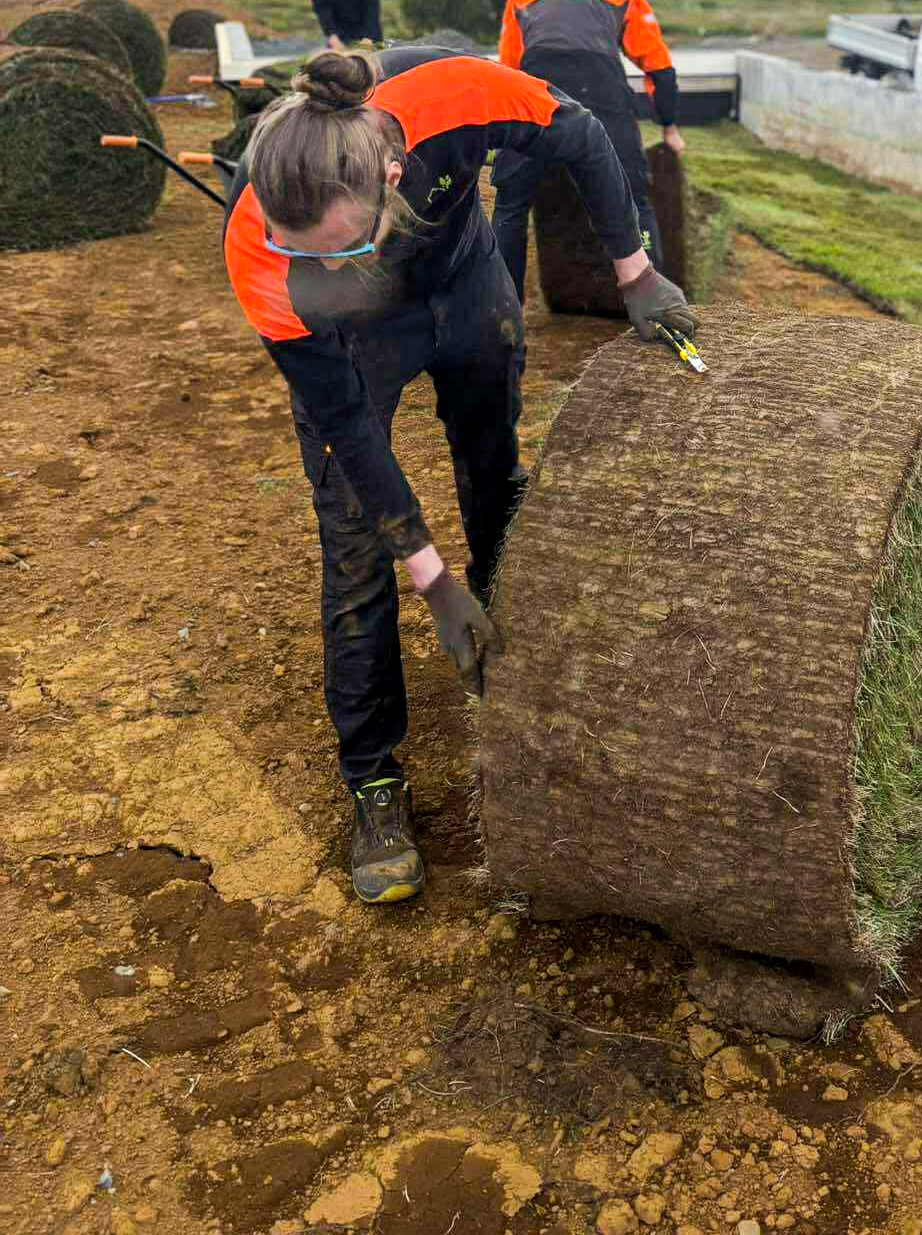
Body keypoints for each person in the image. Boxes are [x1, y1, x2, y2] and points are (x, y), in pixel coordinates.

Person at [222, 44, 696, 904]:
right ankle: (372, 779)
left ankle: (512, 641)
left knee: (492, 464)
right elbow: (349, 431)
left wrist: (636, 273)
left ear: (394, 176)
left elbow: (582, 134)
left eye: (341, 249)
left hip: (464, 278)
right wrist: (431, 584)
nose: (324, 271)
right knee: (358, 550)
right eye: (307, 259)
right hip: (362, 339)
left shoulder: (455, 93)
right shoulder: (261, 251)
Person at [493, 0, 682, 296]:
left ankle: (502, 308)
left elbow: (508, 67)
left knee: (510, 204)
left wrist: (506, 133)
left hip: (537, 89)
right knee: (634, 196)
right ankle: (656, 303)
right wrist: (668, 126)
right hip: (602, 89)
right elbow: (659, 67)